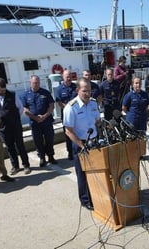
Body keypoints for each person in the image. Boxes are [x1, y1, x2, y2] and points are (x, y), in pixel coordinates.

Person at [63, 77, 101, 211]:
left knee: (97, 171)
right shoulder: (70, 107)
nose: (88, 93)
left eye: (89, 91)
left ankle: (96, 195)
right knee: (83, 174)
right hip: (81, 144)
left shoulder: (93, 103)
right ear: (77, 90)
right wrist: (81, 145)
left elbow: (97, 122)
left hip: (95, 141)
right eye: (84, 91)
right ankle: (85, 200)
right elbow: (68, 131)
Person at [0, 78, 31, 175]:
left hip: (15, 126)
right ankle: (15, 166)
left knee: (20, 145)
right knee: (10, 147)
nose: (3, 92)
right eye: (1, 90)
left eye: (4, 90)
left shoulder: (12, 94)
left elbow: (20, 108)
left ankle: (26, 165)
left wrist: (15, 118)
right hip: (3, 128)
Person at [22, 75, 57, 166]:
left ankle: (50, 156)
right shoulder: (25, 94)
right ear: (30, 83)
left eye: (37, 82)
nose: (36, 84)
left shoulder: (45, 93)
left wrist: (45, 116)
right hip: (35, 123)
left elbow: (51, 106)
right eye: (34, 83)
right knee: (38, 141)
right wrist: (35, 118)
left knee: (50, 139)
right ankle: (42, 157)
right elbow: (25, 109)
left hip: (47, 121)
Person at [56, 70, 77, 160]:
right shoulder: (59, 89)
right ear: (63, 77)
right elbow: (59, 102)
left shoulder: (76, 87)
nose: (68, 78)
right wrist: (68, 109)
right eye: (66, 76)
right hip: (66, 116)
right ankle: (70, 153)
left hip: (76, 114)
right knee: (68, 134)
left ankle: (77, 150)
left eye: (70, 76)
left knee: (77, 133)